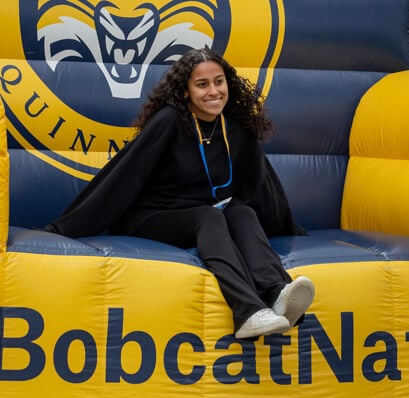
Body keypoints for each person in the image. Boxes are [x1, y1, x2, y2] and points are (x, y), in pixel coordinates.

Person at [43, 48, 315, 339]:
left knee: (242, 211)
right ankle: (247, 311)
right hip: (150, 217)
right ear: (185, 91)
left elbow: (262, 185)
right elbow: (125, 173)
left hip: (204, 215)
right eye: (202, 84)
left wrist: (288, 227)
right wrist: (66, 226)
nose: (214, 91)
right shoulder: (170, 121)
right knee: (209, 217)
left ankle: (276, 293)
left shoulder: (235, 128)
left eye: (219, 82)